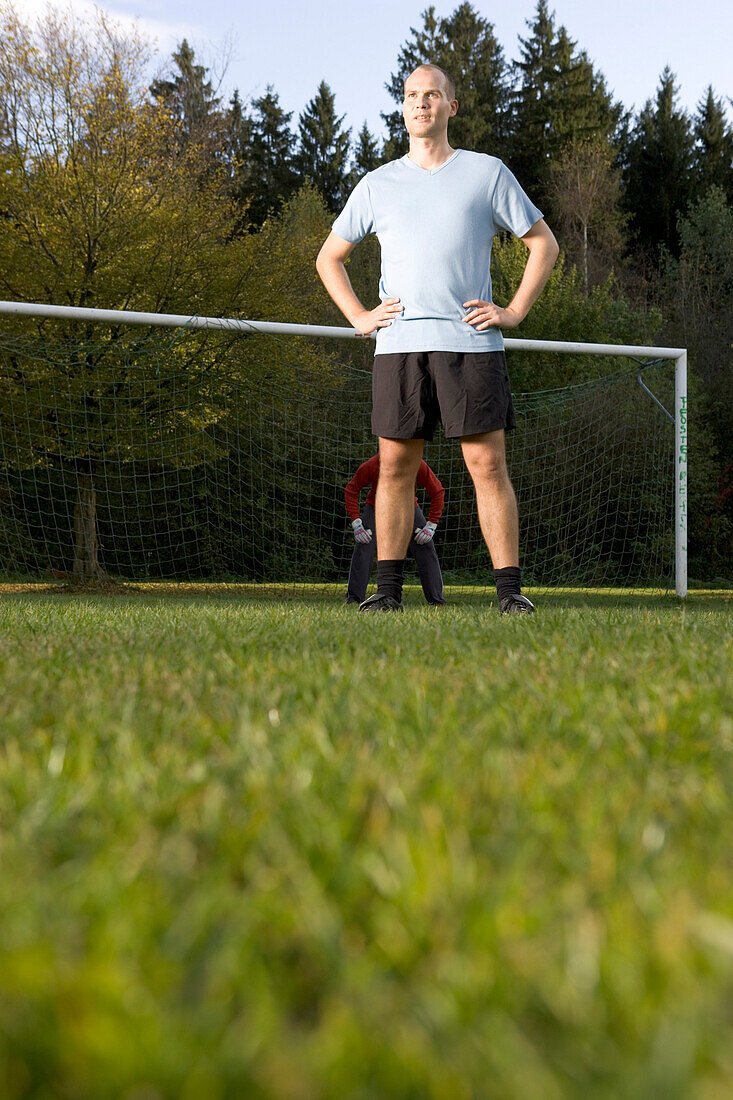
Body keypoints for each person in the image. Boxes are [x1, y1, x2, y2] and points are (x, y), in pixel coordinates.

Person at [316, 63, 559, 613]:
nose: (420, 104)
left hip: (470, 345)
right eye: (410, 96)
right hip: (398, 346)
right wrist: (358, 314)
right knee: (396, 469)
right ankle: (387, 594)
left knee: (487, 467)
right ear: (402, 109)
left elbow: (543, 243)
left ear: (452, 106)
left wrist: (515, 310)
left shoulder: (487, 173)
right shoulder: (377, 184)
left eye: (432, 95)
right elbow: (328, 258)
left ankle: (509, 594)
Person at [345, 453, 446, 607]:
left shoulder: (416, 463)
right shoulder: (373, 464)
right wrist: (357, 523)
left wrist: (431, 524)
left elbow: (437, 491)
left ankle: (437, 601)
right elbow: (351, 490)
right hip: (376, 507)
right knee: (364, 543)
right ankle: (353, 599)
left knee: (425, 544)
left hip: (408, 507)